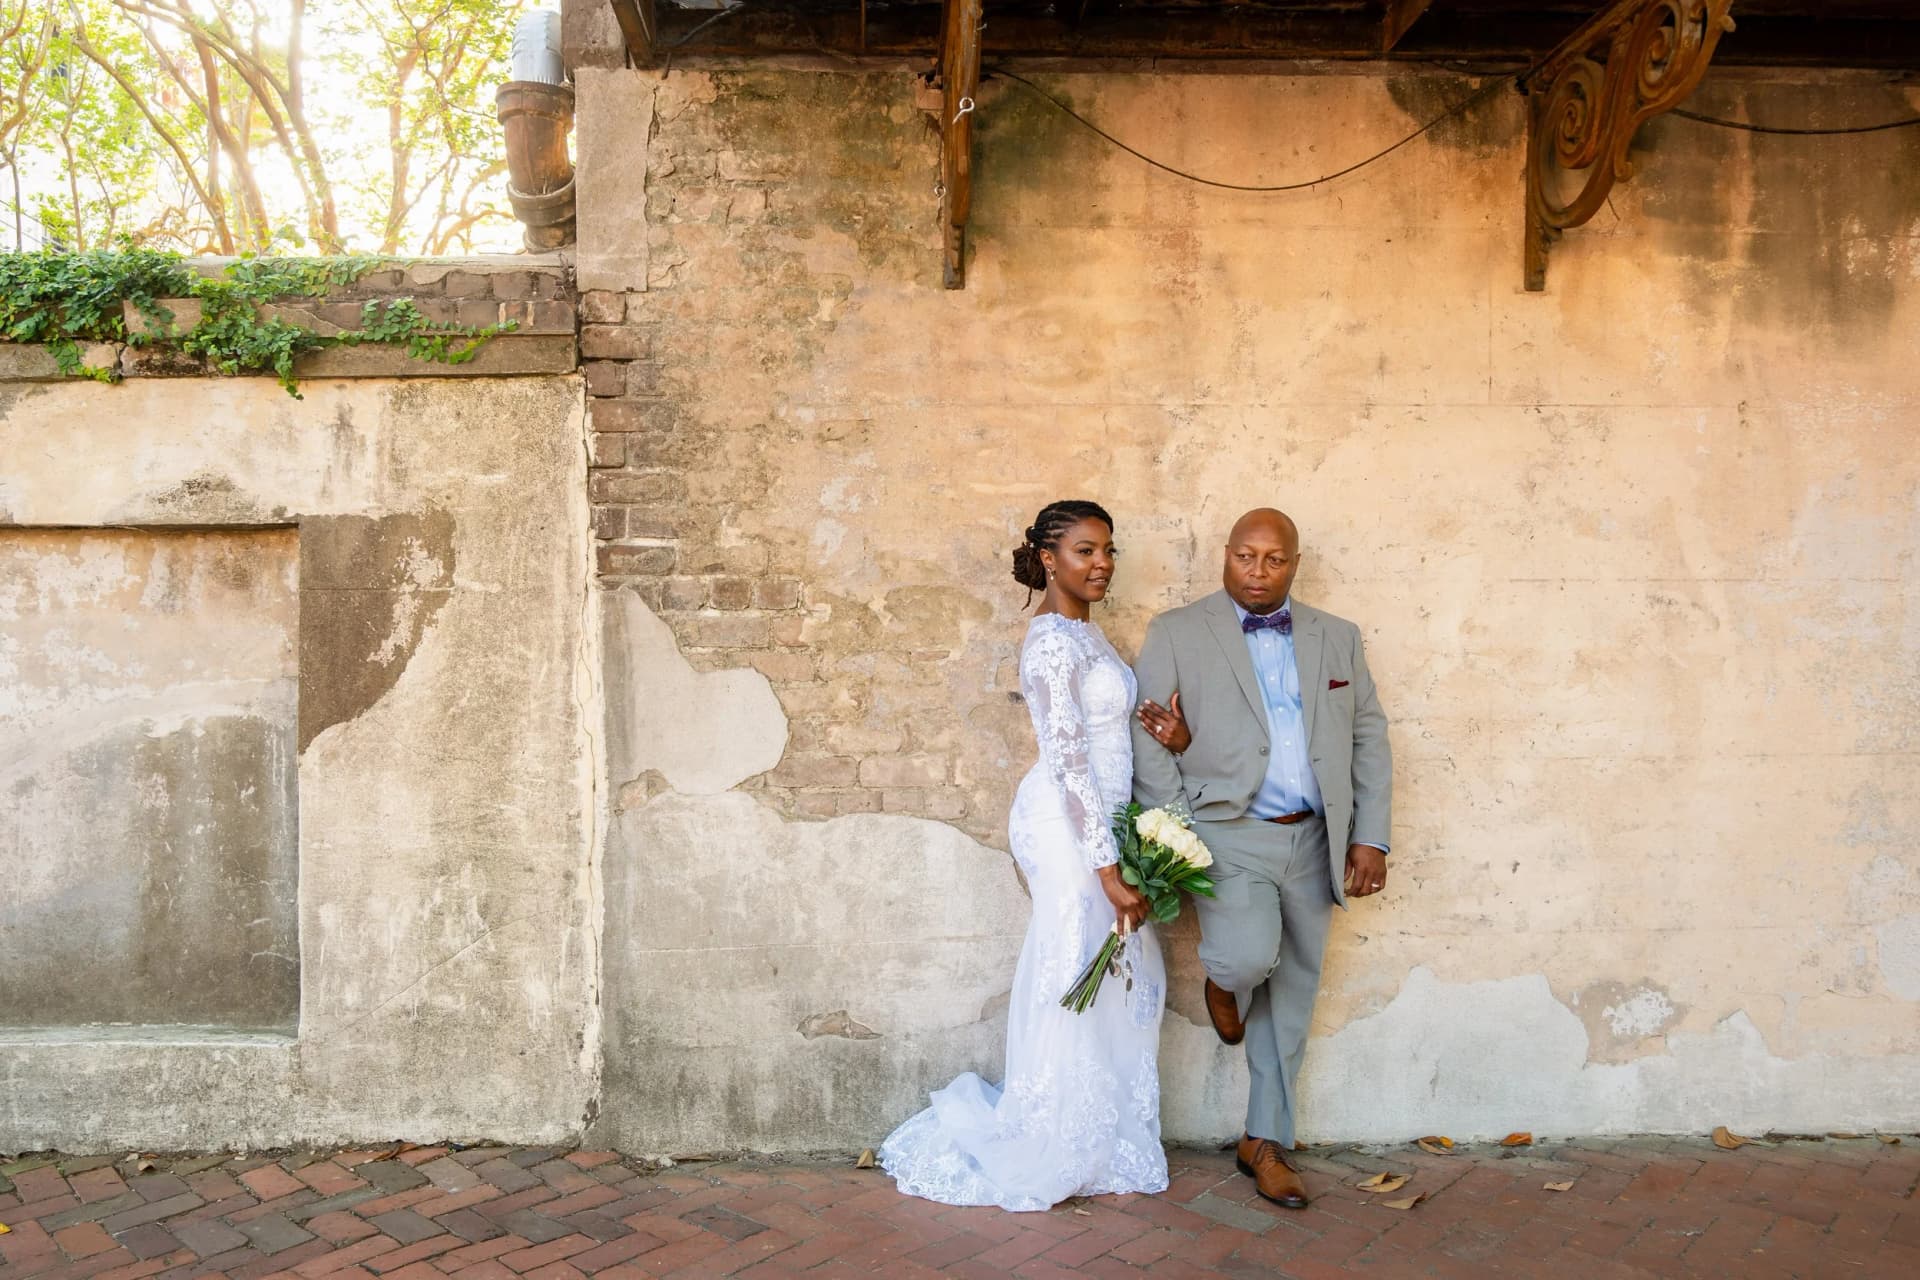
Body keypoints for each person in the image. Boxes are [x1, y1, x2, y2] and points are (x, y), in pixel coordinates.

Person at [880, 499, 1183, 1211]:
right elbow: (1070, 760)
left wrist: (1168, 737)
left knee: (1113, 970)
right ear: (1049, 560)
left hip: (1105, 820)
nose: (1102, 563)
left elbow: (1108, 737)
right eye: (1085, 551)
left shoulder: (1089, 634)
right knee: (1073, 959)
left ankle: (1098, 1129)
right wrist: (1108, 869)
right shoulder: (1050, 641)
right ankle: (1052, 1132)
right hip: (1065, 824)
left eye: (1108, 550)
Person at [1132, 507, 1392, 1210]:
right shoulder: (1179, 632)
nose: (1257, 571)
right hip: (1228, 835)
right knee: (1248, 959)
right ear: (1226, 556)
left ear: (1294, 563)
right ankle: (1225, 981)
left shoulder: (1337, 638)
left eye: (1273, 559)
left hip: (1315, 839)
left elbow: (1368, 735)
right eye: (1245, 556)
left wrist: (1371, 836)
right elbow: (1150, 741)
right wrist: (1180, 838)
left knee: (1294, 994)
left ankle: (1265, 1141)